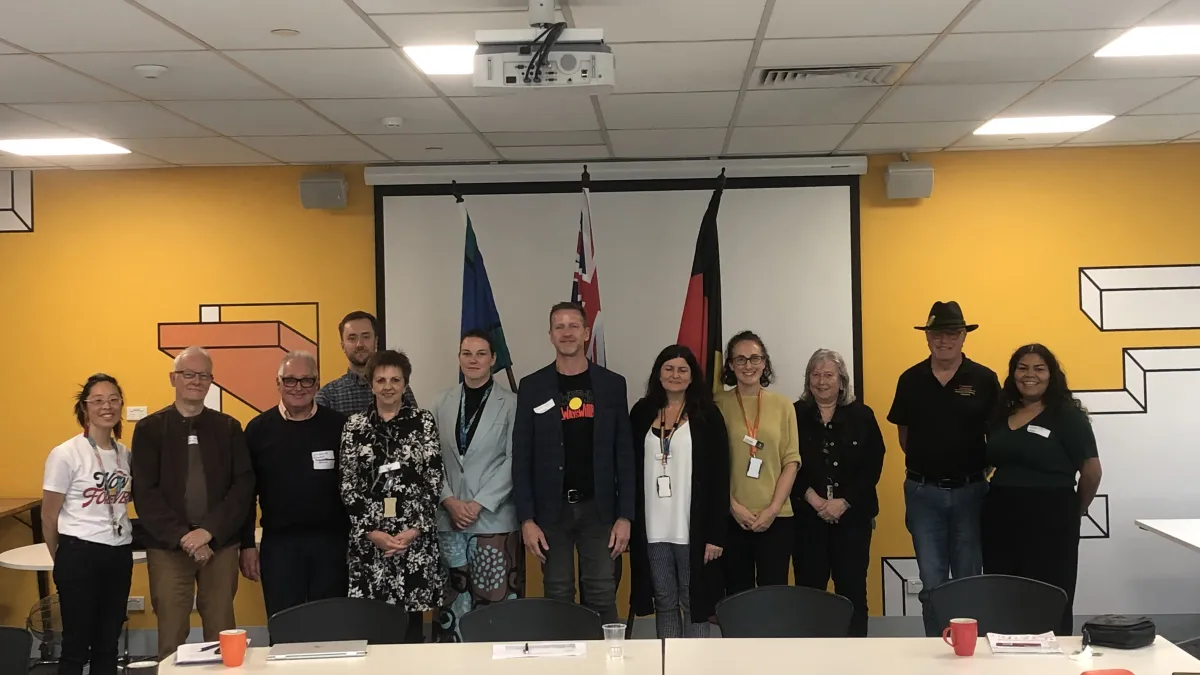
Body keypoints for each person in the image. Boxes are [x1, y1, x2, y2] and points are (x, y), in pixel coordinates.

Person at [512, 301, 635, 624]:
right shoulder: (532, 386)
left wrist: (626, 516)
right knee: (557, 593)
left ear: (586, 333)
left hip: (600, 511)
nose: (566, 332)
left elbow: (624, 453)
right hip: (552, 514)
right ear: (550, 335)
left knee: (601, 593)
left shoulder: (612, 384)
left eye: (573, 326)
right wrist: (526, 518)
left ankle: (609, 665)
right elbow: (521, 456)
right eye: (559, 327)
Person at [130, 346, 255, 660]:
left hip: (220, 546)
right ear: (173, 378)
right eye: (188, 374)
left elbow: (243, 487)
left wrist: (208, 532)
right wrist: (183, 537)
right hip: (168, 548)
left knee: (223, 633)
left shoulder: (229, 428)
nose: (196, 381)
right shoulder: (149, 430)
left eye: (203, 375)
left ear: (212, 381)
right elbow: (145, 492)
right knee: (171, 634)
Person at [887, 301, 1000, 636]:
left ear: (964, 336)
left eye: (952, 332)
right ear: (928, 338)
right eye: (937, 333)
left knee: (968, 580)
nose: (944, 340)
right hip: (923, 494)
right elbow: (904, 435)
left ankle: (967, 654)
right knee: (932, 583)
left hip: (971, 493)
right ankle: (935, 652)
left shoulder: (984, 379)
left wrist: (974, 470)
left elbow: (997, 437)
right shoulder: (910, 379)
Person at [983, 344, 1102, 636]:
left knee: (1049, 592)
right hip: (1000, 514)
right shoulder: (1001, 413)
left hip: (1052, 516)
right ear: (1013, 374)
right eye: (1022, 368)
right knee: (1004, 591)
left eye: (1039, 368)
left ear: (1051, 374)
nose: (1029, 375)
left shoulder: (1067, 416)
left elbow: (1091, 470)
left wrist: (1077, 509)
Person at [340, 349, 444, 643]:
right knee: (373, 630)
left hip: (414, 542)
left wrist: (412, 530)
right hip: (371, 543)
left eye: (395, 380)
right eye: (381, 379)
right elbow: (348, 484)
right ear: (371, 384)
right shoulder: (354, 427)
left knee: (412, 630)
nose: (388, 386)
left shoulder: (423, 422)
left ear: (405, 383)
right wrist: (372, 532)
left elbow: (434, 478)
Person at [628, 345, 730, 638]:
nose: (675, 375)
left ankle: (695, 666)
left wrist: (715, 535)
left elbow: (720, 477)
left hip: (692, 531)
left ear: (692, 376)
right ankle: (669, 664)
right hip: (653, 529)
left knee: (694, 601)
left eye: (682, 369)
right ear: (658, 374)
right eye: (669, 369)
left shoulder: (708, 415)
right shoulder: (641, 412)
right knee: (664, 601)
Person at [238, 351, 349, 619]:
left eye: (306, 380)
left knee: (332, 625)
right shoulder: (257, 430)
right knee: (285, 625)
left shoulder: (340, 427)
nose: (298, 388)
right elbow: (245, 494)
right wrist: (247, 546)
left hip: (332, 545)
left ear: (317, 384)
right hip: (280, 546)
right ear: (278, 384)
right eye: (290, 380)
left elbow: (353, 488)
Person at [430, 329, 523, 642]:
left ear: (493, 359)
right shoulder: (440, 403)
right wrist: (449, 501)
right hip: (449, 520)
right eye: (466, 353)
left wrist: (479, 502)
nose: (473, 360)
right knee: (452, 609)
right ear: (458, 358)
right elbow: (430, 461)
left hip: (493, 521)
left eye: (481, 353)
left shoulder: (511, 404)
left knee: (494, 611)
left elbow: (515, 460)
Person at [42, 374, 133, 675]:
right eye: (98, 401)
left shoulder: (124, 455)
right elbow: (49, 516)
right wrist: (64, 559)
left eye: (113, 400)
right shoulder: (66, 454)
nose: (106, 407)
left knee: (108, 644)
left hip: (118, 554)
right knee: (76, 645)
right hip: (79, 554)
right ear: (84, 408)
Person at [791, 349, 884, 637]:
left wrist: (843, 502)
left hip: (852, 518)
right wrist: (814, 499)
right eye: (815, 375)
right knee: (809, 593)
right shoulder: (793, 414)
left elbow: (873, 465)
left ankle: (856, 659)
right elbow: (785, 463)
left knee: (853, 591)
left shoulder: (862, 416)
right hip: (807, 517)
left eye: (828, 375)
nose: (821, 382)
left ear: (842, 381)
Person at [714, 331, 800, 593]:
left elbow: (791, 461)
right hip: (732, 517)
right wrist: (732, 506)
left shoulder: (784, 405)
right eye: (740, 359)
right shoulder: (716, 405)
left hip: (776, 518)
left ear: (764, 363)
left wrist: (772, 509)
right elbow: (709, 465)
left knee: (773, 598)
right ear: (730, 364)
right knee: (737, 598)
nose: (748, 366)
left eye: (754, 358)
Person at [317, 310, 416, 416]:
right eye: (352, 338)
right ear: (343, 346)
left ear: (376, 341)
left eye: (366, 336)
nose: (360, 344)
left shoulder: (397, 387)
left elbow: (417, 427)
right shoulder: (328, 396)